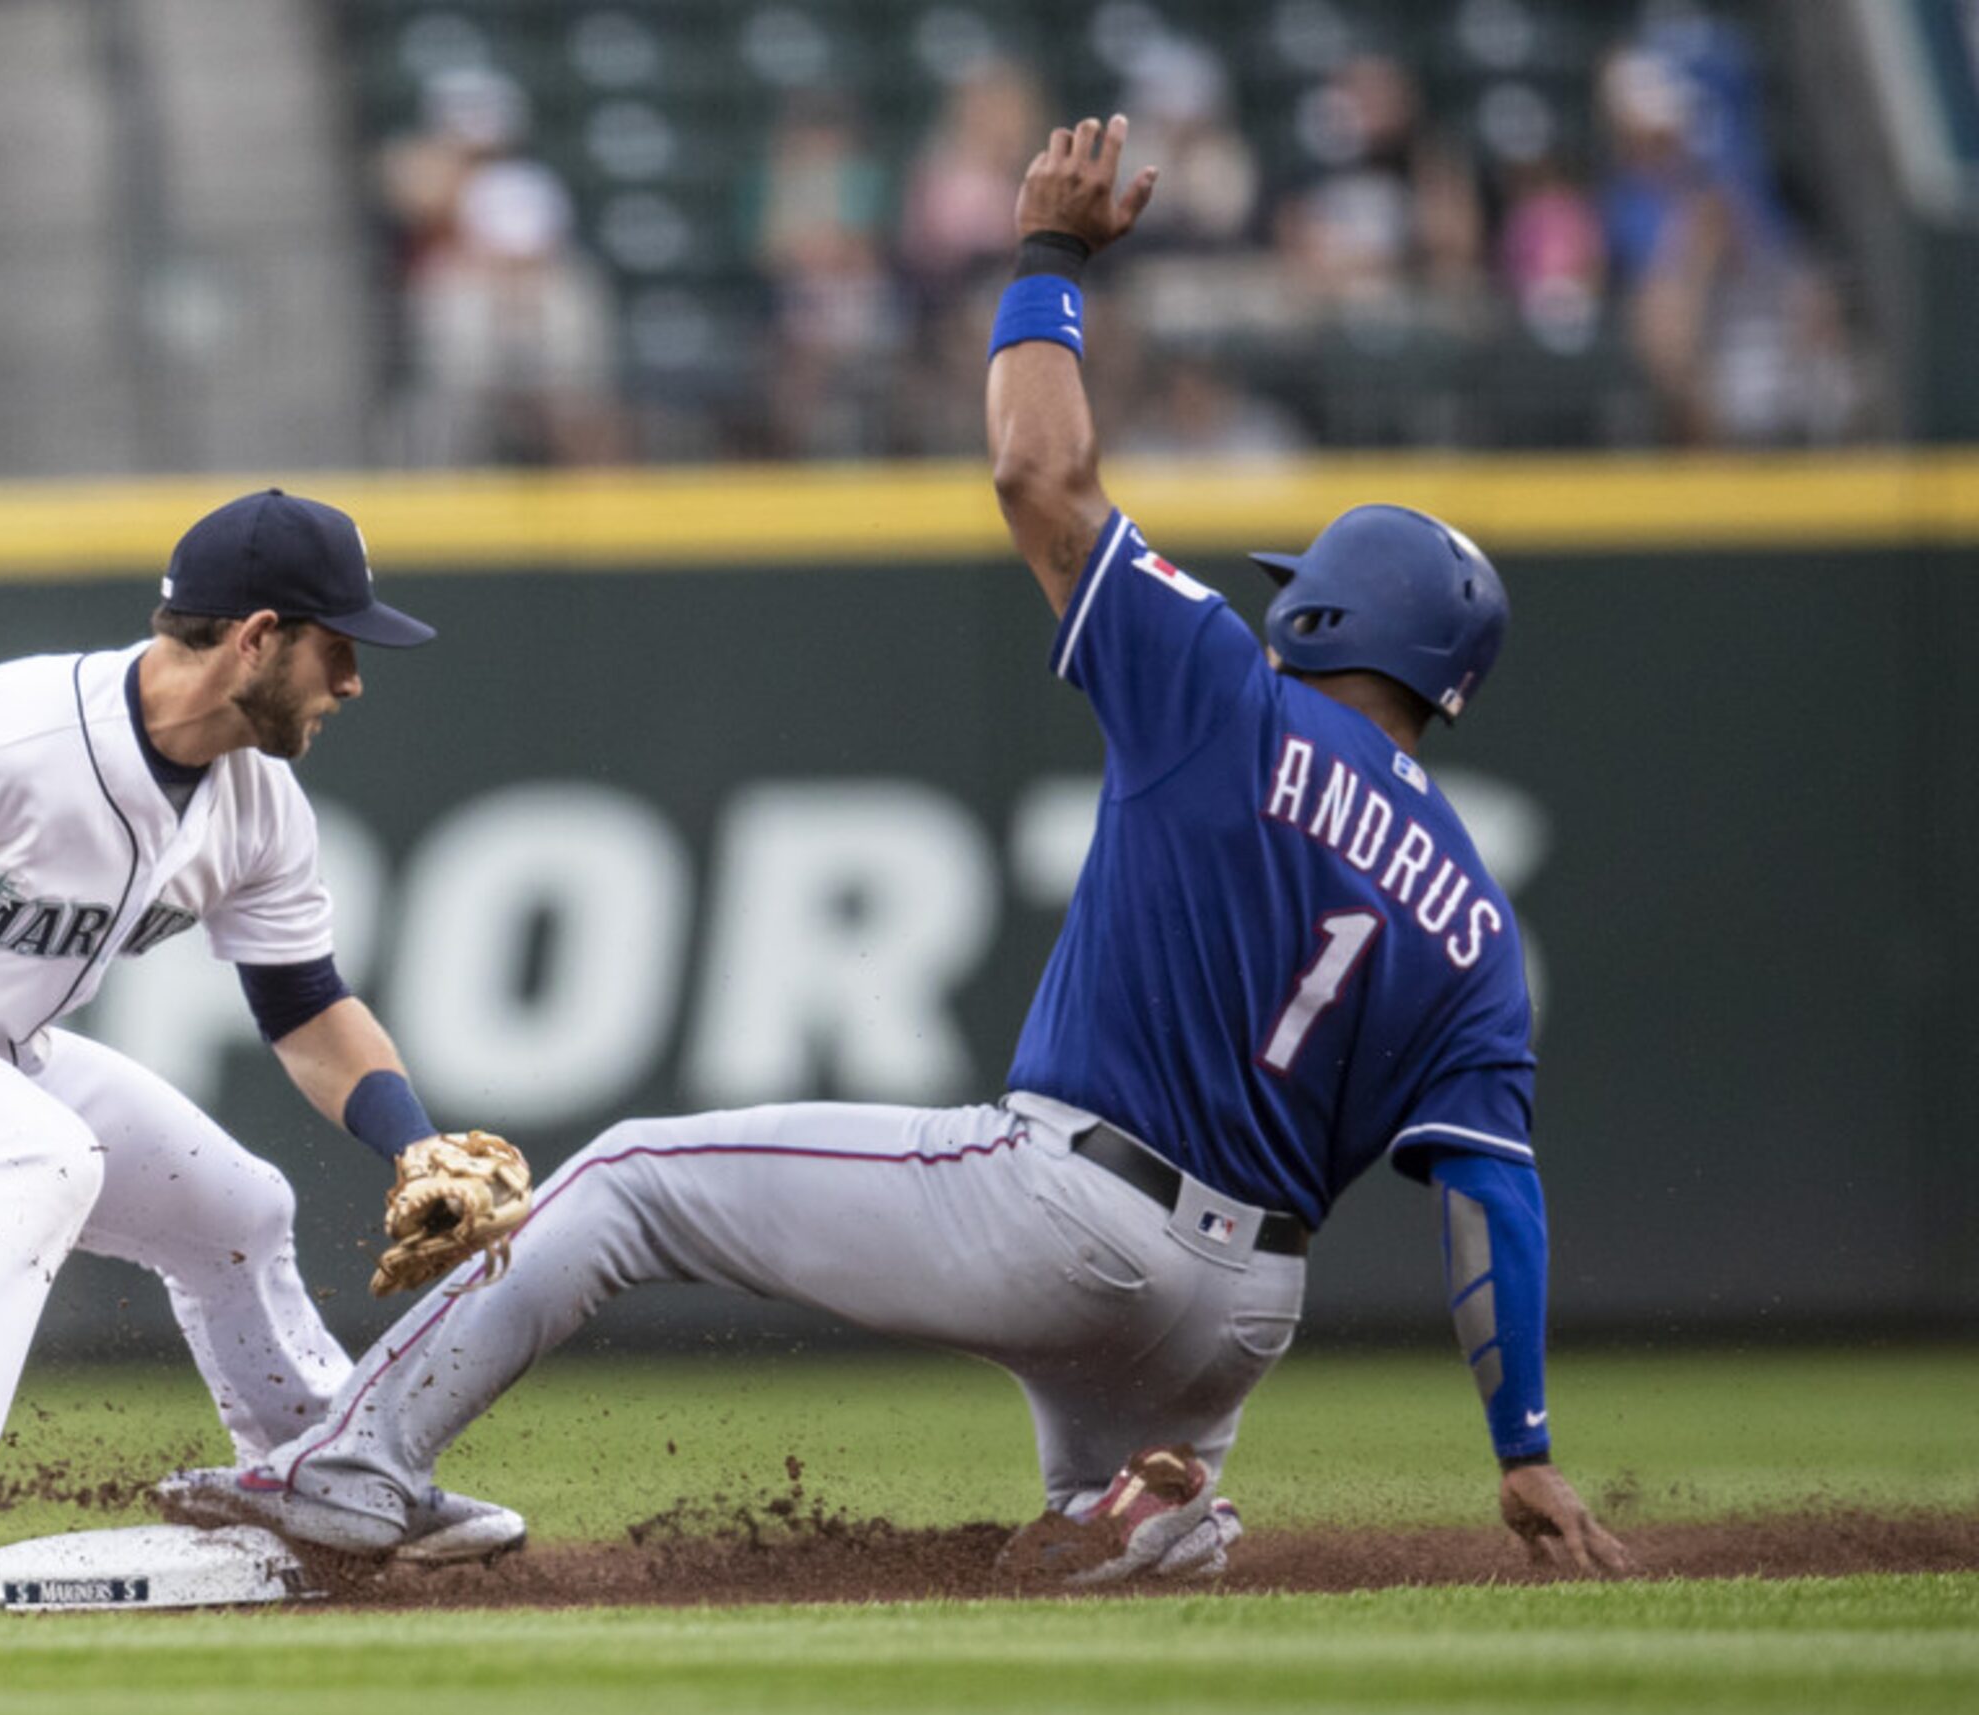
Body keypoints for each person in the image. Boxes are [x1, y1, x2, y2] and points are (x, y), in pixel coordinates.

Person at [165, 117, 1631, 1587]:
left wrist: (1050, 260)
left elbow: (1039, 478)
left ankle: (356, 1465)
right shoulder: (1477, 924)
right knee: (1111, 1475)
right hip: (1240, 1312)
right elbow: (1493, 1199)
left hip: (1069, 1212)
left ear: (1325, 619)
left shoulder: (1229, 699)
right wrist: (1525, 1446)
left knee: (624, 1176)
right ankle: (1160, 1499)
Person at [0, 489, 529, 1614]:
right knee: (37, 1157)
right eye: (337, 648)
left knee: (236, 1209)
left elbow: (305, 1006)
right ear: (257, 637)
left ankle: (330, 1478)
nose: (352, 681)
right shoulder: (1, 732)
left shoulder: (257, 807)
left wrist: (413, 1145)